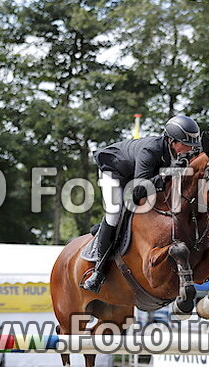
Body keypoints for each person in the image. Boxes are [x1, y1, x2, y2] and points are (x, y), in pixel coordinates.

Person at [82, 114, 202, 293]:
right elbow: (137, 190)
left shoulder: (182, 151)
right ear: (171, 141)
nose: (189, 150)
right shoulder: (150, 150)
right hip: (115, 170)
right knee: (115, 211)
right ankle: (98, 270)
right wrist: (167, 173)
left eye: (192, 146)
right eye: (185, 145)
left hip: (139, 174)